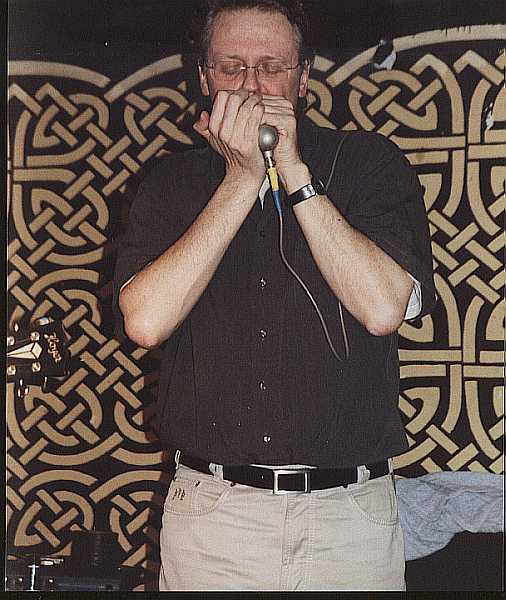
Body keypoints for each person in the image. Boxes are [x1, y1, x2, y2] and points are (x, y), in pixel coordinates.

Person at [113, 0, 436, 591]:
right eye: (231, 68)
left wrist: (292, 169)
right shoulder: (171, 181)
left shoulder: (369, 163)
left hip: (349, 518)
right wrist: (241, 180)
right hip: (214, 516)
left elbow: (383, 308)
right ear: (205, 79)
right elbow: (146, 322)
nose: (251, 85)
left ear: (303, 76)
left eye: (271, 67)